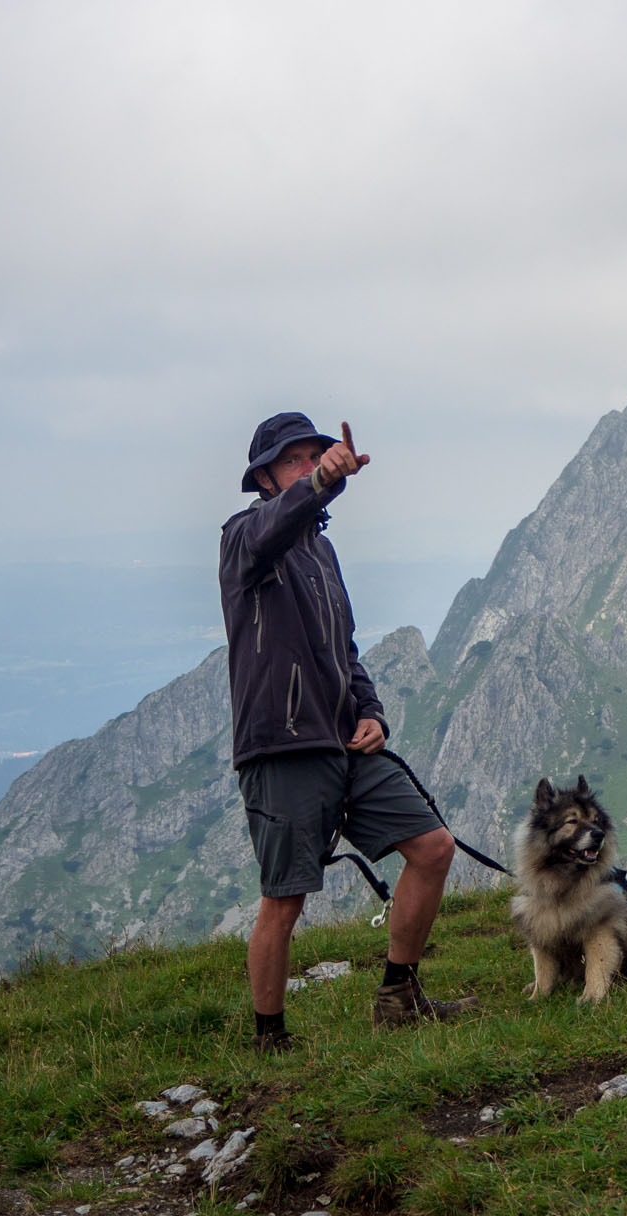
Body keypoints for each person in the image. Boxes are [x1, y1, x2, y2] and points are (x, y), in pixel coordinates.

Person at [219, 411, 475, 1051]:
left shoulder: (321, 551)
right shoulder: (245, 535)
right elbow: (273, 527)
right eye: (294, 460)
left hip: (345, 742)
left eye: (316, 456)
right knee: (285, 900)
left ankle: (398, 996)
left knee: (433, 846)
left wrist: (373, 712)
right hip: (281, 747)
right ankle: (268, 1039)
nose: (309, 466)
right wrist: (321, 485)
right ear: (266, 478)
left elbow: (345, 650)